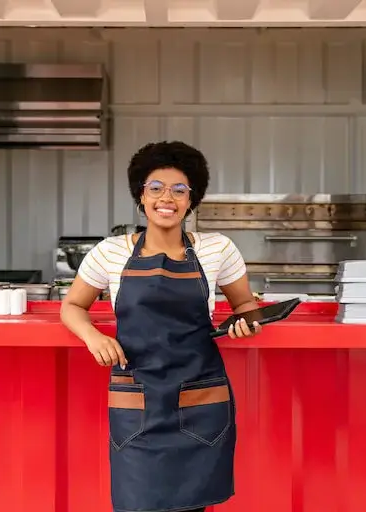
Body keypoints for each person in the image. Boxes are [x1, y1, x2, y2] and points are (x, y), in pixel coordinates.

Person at [60, 140, 262, 512]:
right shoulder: (111, 251)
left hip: (200, 398)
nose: (166, 198)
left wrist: (245, 322)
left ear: (191, 199)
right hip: (138, 402)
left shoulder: (218, 249)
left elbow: (245, 305)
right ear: (141, 195)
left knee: (192, 507)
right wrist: (92, 335)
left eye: (179, 190)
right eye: (155, 187)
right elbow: (72, 305)